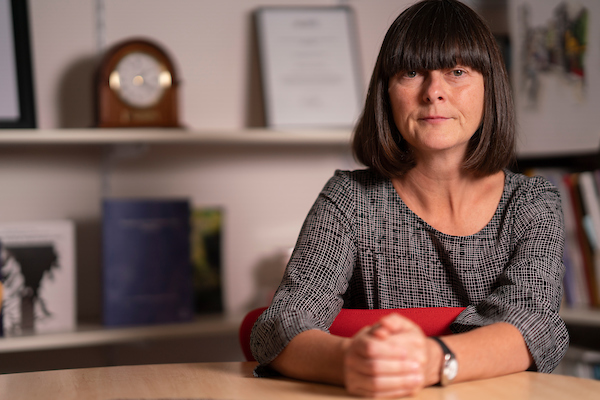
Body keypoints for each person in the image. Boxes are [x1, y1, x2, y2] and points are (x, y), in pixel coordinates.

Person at [250, 0, 569, 398]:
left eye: (456, 72)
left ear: (491, 87)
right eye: (412, 72)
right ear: (386, 91)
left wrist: (429, 360)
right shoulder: (350, 199)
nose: (434, 93)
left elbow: (533, 324)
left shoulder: (533, 202)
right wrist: (351, 361)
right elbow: (281, 321)